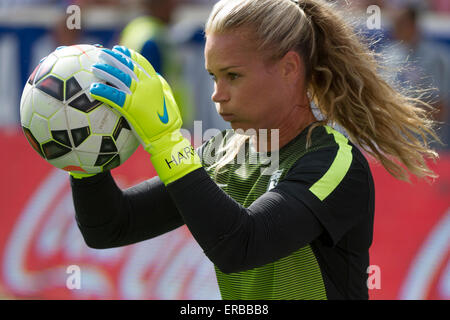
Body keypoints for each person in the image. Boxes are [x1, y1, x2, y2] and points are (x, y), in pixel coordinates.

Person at [70, 0, 441, 300]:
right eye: (214, 76)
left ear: (289, 68)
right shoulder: (224, 155)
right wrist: (79, 148)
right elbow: (109, 227)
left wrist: (166, 141)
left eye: (233, 75)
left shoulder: (334, 163)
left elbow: (241, 247)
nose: (217, 94)